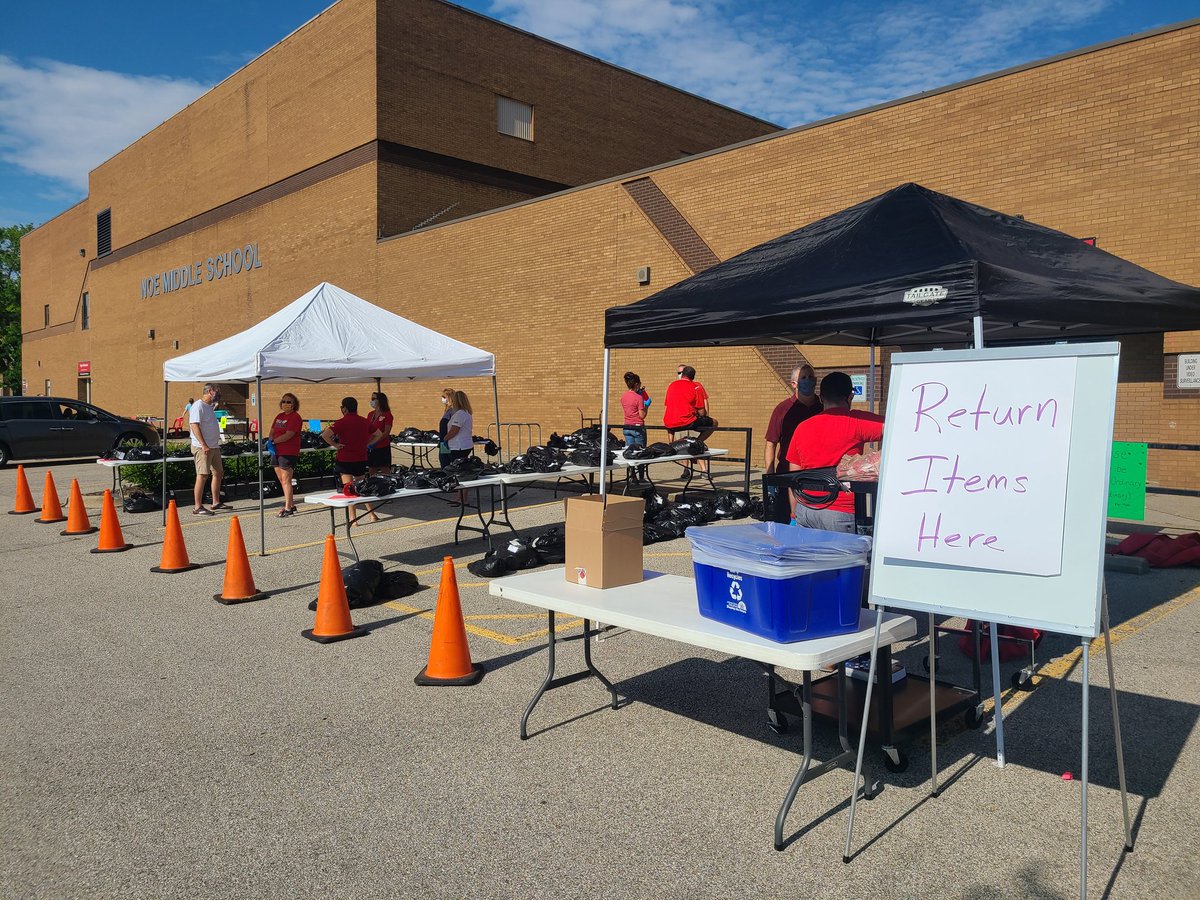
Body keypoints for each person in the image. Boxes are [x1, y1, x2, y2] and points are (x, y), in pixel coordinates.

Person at [784, 371, 883, 533]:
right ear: (850, 397)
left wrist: (794, 514)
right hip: (841, 511)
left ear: (821, 398)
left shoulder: (802, 427)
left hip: (806, 508)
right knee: (842, 559)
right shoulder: (857, 422)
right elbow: (896, 426)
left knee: (808, 557)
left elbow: (794, 476)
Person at [764, 364, 822, 474]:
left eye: (810, 377)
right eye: (803, 378)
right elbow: (771, 443)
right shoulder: (783, 409)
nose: (808, 380)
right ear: (794, 384)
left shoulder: (823, 408)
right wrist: (770, 476)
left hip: (818, 472)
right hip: (787, 473)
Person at [663, 364, 717, 472]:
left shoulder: (671, 385)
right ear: (693, 377)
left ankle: (696, 466)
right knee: (714, 422)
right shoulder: (695, 387)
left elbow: (667, 404)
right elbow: (702, 412)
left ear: (682, 374)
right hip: (687, 421)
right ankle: (698, 442)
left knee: (680, 436)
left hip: (669, 422)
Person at [189, 383, 227, 515]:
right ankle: (197, 506)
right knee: (202, 475)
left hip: (214, 446)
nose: (219, 394)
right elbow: (194, 425)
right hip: (202, 447)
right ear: (210, 391)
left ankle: (216, 502)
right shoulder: (198, 406)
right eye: (218, 391)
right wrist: (204, 444)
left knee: (218, 473)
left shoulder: (209, 407)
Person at [321, 397, 372, 489]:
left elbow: (325, 435)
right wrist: (368, 443)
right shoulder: (365, 421)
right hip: (360, 457)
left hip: (345, 458)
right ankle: (367, 503)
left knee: (348, 488)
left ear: (345, 408)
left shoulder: (341, 422)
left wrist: (335, 444)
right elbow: (378, 434)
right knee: (361, 487)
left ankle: (352, 503)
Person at [362, 391, 395, 523]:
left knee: (385, 468)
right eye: (371, 399)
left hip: (382, 446)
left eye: (374, 399)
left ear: (380, 400)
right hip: (371, 446)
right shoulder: (370, 415)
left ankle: (389, 491)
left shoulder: (387, 415)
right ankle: (374, 489)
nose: (372, 401)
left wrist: (376, 441)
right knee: (372, 469)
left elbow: (386, 432)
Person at [269, 392, 302, 517]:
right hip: (276, 451)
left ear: (294, 404)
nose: (286, 404)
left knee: (286, 480)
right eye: (284, 401)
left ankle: (288, 507)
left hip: (288, 451)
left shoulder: (295, 417)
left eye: (289, 402)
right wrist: (271, 441)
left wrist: (274, 441)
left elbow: (289, 434)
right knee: (281, 479)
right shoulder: (279, 416)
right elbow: (272, 431)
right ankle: (291, 504)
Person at [620, 371, 649, 482]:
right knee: (640, 452)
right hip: (638, 427)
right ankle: (641, 477)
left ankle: (632, 476)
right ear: (636, 384)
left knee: (630, 452)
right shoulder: (638, 398)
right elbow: (642, 415)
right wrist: (646, 406)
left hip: (627, 426)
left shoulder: (624, 396)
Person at [444, 390, 474, 463]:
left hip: (458, 446)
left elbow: (455, 430)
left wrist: (445, 438)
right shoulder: (466, 413)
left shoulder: (460, 414)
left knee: (456, 466)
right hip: (465, 445)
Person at [437, 387, 454, 468]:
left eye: (444, 397)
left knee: (445, 462)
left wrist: (445, 439)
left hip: (447, 441)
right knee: (443, 460)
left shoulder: (452, 410)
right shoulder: (447, 410)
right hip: (443, 440)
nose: (442, 399)